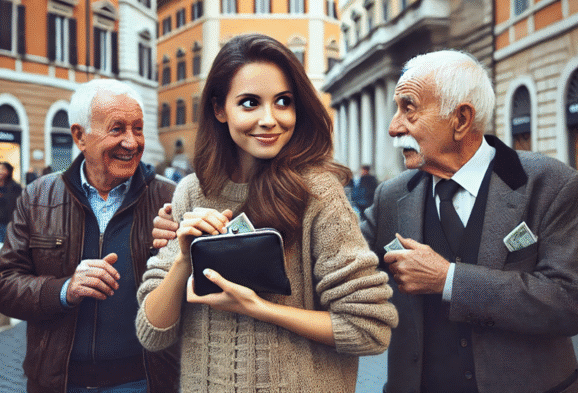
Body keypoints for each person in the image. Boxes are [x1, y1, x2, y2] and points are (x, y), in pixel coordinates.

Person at [135, 33, 398, 391]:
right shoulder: (192, 192)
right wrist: (184, 258)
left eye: (283, 102)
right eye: (249, 103)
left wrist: (257, 308)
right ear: (219, 109)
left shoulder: (319, 193)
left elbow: (369, 329)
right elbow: (152, 333)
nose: (270, 119)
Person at [361, 50, 578, 392]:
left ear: (461, 119)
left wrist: (449, 280)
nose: (395, 127)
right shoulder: (391, 196)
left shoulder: (549, 184)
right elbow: (338, 259)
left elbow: (569, 302)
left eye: (408, 108)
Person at [0, 79, 179, 393]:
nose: (132, 142)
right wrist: (65, 289)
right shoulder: (38, 197)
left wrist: (183, 251)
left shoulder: (170, 198)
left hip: (143, 380)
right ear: (80, 136)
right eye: (117, 129)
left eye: (138, 128)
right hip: (61, 381)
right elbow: (3, 286)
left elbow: (201, 291)